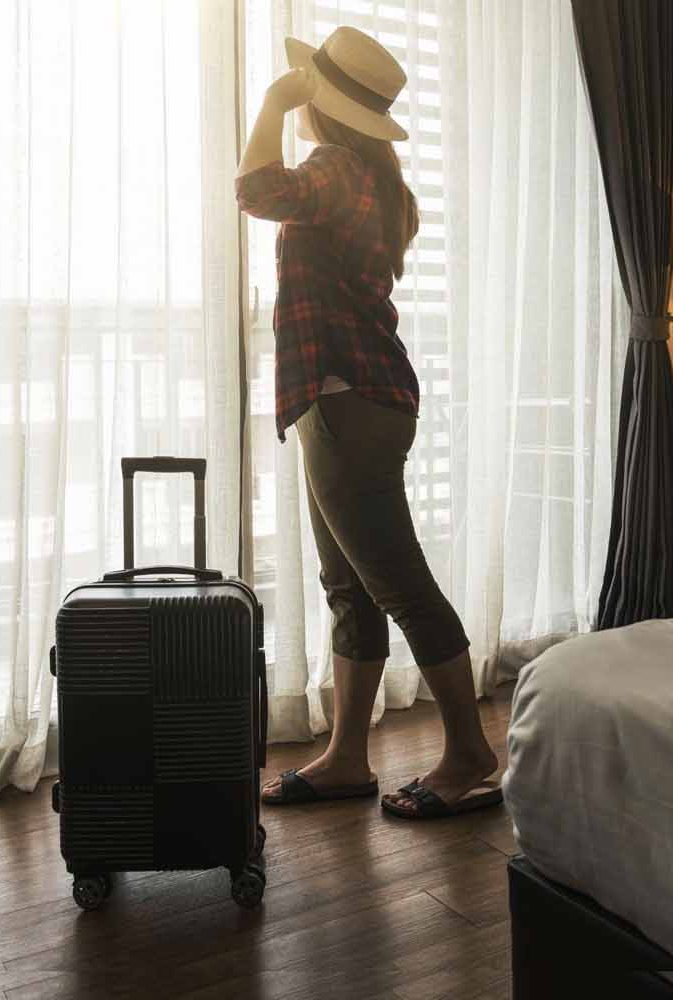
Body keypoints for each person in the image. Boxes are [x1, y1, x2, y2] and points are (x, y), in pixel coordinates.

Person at [235, 26, 500, 820]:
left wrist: (276, 103)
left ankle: (472, 756)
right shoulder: (372, 179)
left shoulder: (340, 169)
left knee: (400, 587)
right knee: (350, 589)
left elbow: (254, 189)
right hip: (346, 402)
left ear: (326, 106)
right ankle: (349, 758)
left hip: (349, 403)